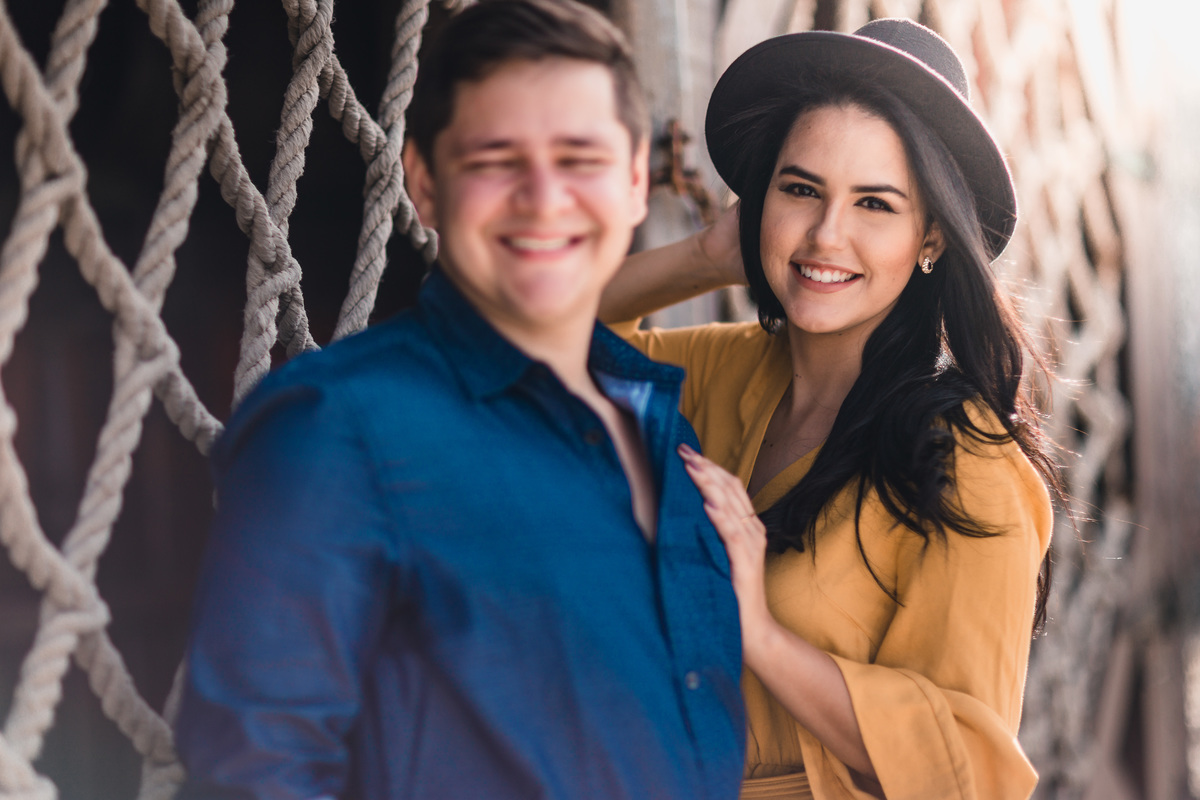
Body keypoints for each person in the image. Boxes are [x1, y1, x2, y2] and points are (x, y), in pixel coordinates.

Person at [173, 1, 746, 797]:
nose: (542, 198)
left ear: (634, 185)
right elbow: (256, 772)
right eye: (495, 159)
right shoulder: (336, 427)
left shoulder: (662, 427)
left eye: (579, 158)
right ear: (425, 185)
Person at [601, 18, 1060, 800]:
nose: (825, 235)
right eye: (800, 189)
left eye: (876, 204)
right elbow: (530, 344)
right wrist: (711, 254)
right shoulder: (723, 369)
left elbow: (971, 774)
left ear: (932, 240)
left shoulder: (968, 461)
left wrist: (762, 633)